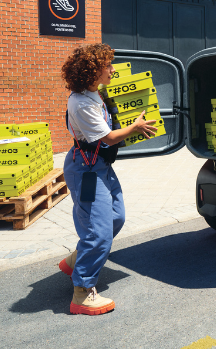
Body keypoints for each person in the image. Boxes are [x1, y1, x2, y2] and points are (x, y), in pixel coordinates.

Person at [58, 43, 158, 315]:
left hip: (99, 165)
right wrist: (136, 127)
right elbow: (109, 138)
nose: (113, 70)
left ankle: (77, 259)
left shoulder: (93, 93)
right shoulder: (81, 102)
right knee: (98, 230)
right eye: (108, 66)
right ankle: (82, 291)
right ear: (93, 71)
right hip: (87, 170)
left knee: (116, 217)